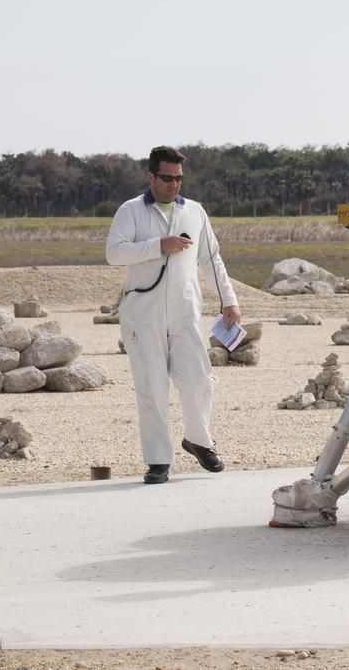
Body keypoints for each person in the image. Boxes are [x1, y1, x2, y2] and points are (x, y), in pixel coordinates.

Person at [105, 146, 241, 484]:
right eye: (167, 178)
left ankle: (198, 439)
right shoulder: (131, 211)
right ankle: (158, 461)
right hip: (143, 312)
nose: (174, 184)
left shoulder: (194, 212)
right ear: (151, 176)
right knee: (151, 386)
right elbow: (114, 252)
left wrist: (230, 301)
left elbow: (212, 258)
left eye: (179, 178)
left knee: (198, 379)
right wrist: (158, 245)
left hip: (185, 309)